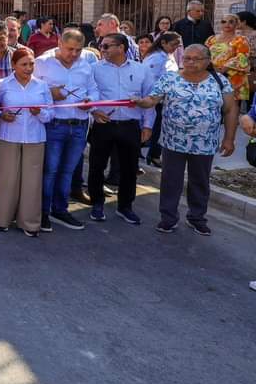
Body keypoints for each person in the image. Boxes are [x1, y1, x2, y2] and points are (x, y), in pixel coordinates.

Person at [135, 44, 238, 237]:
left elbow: (231, 109)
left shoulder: (220, 81)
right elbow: (152, 99)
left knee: (199, 181)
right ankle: (168, 218)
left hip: (204, 142)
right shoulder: (170, 78)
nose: (190, 62)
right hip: (174, 141)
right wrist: (141, 102)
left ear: (207, 61)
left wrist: (229, 138)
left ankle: (197, 218)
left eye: (196, 59)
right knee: (170, 180)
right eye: (187, 58)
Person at [33, 29, 98, 231]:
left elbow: (94, 90)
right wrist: (49, 94)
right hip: (54, 125)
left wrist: (91, 103)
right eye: (70, 49)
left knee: (68, 171)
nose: (73, 54)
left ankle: (60, 209)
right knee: (50, 171)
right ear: (60, 43)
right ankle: (43, 212)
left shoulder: (86, 65)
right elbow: (31, 89)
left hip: (79, 126)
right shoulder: (43, 62)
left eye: (78, 50)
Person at [88, 33, 155, 225]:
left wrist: (148, 126)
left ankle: (125, 206)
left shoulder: (141, 70)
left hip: (130, 126)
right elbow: (86, 95)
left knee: (129, 168)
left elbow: (149, 98)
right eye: (102, 46)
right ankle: (97, 203)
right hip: (103, 125)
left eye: (107, 46)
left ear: (122, 47)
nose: (103, 49)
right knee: (97, 166)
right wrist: (93, 111)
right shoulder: (94, 69)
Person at [0, 47, 53, 237]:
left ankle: (29, 223)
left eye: (31, 64)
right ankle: (2, 219)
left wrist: (40, 113)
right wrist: (2, 115)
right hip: (8, 136)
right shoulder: (2, 84)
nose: (28, 68)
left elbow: (50, 114)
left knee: (32, 181)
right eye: (24, 64)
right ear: (13, 65)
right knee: (6, 179)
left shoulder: (42, 86)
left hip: (35, 138)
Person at [143, 31, 182, 167]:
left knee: (158, 128)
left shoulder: (167, 56)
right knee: (154, 127)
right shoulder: (156, 58)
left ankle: (154, 154)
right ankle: (153, 154)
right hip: (155, 98)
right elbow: (150, 79)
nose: (175, 48)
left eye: (177, 46)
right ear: (163, 43)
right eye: (173, 45)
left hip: (164, 99)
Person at [206, 14, 250, 104]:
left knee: (232, 108)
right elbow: (204, 54)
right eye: (224, 22)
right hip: (213, 75)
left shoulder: (241, 40)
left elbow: (243, 57)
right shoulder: (211, 39)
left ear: (236, 25)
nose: (227, 24)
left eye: (231, 22)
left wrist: (225, 68)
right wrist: (213, 68)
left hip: (233, 78)